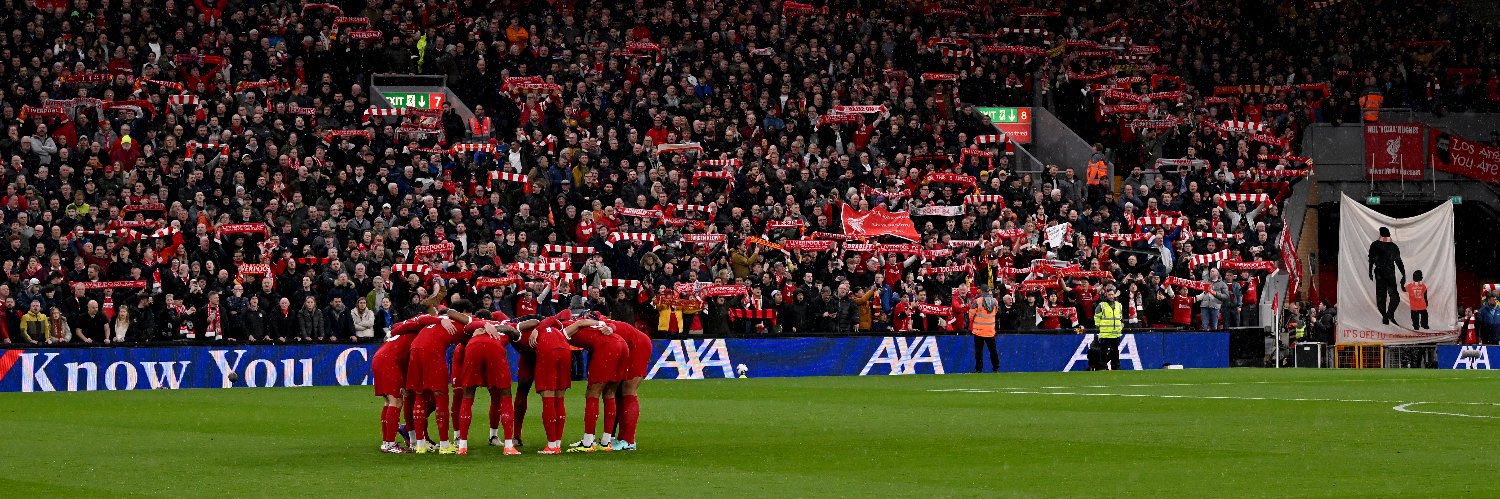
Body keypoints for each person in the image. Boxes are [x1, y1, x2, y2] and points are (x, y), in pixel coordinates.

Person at [527, 311, 606, 454]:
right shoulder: (559, 328)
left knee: (548, 398)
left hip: (548, 349)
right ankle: (557, 442)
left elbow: (549, 319)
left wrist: (535, 331)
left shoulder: (539, 327)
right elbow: (556, 320)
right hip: (565, 350)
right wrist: (601, 323)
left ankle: (551, 446)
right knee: (559, 398)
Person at [370, 312, 447, 454]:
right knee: (396, 402)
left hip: (380, 357)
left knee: (388, 402)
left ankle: (387, 442)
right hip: (389, 361)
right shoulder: (418, 331)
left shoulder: (405, 329)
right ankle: (390, 444)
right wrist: (440, 320)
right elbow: (424, 318)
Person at [405, 307, 475, 454]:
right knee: (441, 395)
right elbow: (474, 330)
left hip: (415, 349)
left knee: (419, 394)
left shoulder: (430, 322)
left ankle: (420, 444)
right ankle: (444, 445)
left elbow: (417, 320)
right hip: (432, 351)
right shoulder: (464, 325)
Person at [563, 303, 629, 453]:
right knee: (610, 393)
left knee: (592, 393)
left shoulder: (567, 324)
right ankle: (606, 442)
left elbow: (564, 334)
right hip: (622, 344)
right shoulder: (598, 322)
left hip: (607, 347)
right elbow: (609, 322)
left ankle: (587, 443)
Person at [601, 316, 651, 451]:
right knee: (617, 392)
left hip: (638, 346)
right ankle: (617, 437)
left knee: (628, 390)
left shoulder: (604, 325)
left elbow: (614, 327)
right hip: (627, 347)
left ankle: (628, 441)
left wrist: (610, 328)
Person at [1368, 227, 1406, 326]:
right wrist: (1403, 273)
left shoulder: (1375, 245)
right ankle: (1388, 315)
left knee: (1383, 297)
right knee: (1391, 297)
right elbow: (1398, 261)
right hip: (1387, 274)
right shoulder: (1392, 246)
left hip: (1382, 274)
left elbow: (1371, 260)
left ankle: (1387, 316)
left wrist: (1370, 272)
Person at [967, 289, 1000, 373]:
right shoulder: (995, 301)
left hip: (979, 331)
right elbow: (997, 312)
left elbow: (971, 315)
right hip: (990, 331)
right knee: (993, 351)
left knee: (979, 352)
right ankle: (996, 368)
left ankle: (978, 369)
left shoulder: (977, 301)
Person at [1093, 285, 1125, 370]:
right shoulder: (1101, 305)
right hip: (1105, 333)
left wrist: (1121, 325)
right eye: (1109, 294)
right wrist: (1099, 328)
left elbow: (1120, 317)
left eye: (1112, 294)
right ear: (1106, 295)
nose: (1111, 296)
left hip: (1116, 333)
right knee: (1103, 351)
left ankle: (1116, 366)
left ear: (1115, 295)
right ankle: (1102, 367)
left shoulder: (1119, 305)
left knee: (1115, 351)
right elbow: (1097, 317)